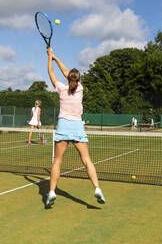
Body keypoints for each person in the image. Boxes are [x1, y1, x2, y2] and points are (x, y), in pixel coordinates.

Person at [45, 46, 105, 206]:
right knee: (87, 160)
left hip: (63, 126)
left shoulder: (61, 89)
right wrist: (56, 58)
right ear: (78, 80)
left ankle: (51, 192)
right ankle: (97, 188)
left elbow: (52, 73)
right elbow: (68, 74)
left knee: (57, 162)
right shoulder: (80, 89)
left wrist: (50, 57)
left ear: (68, 79)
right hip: (77, 127)